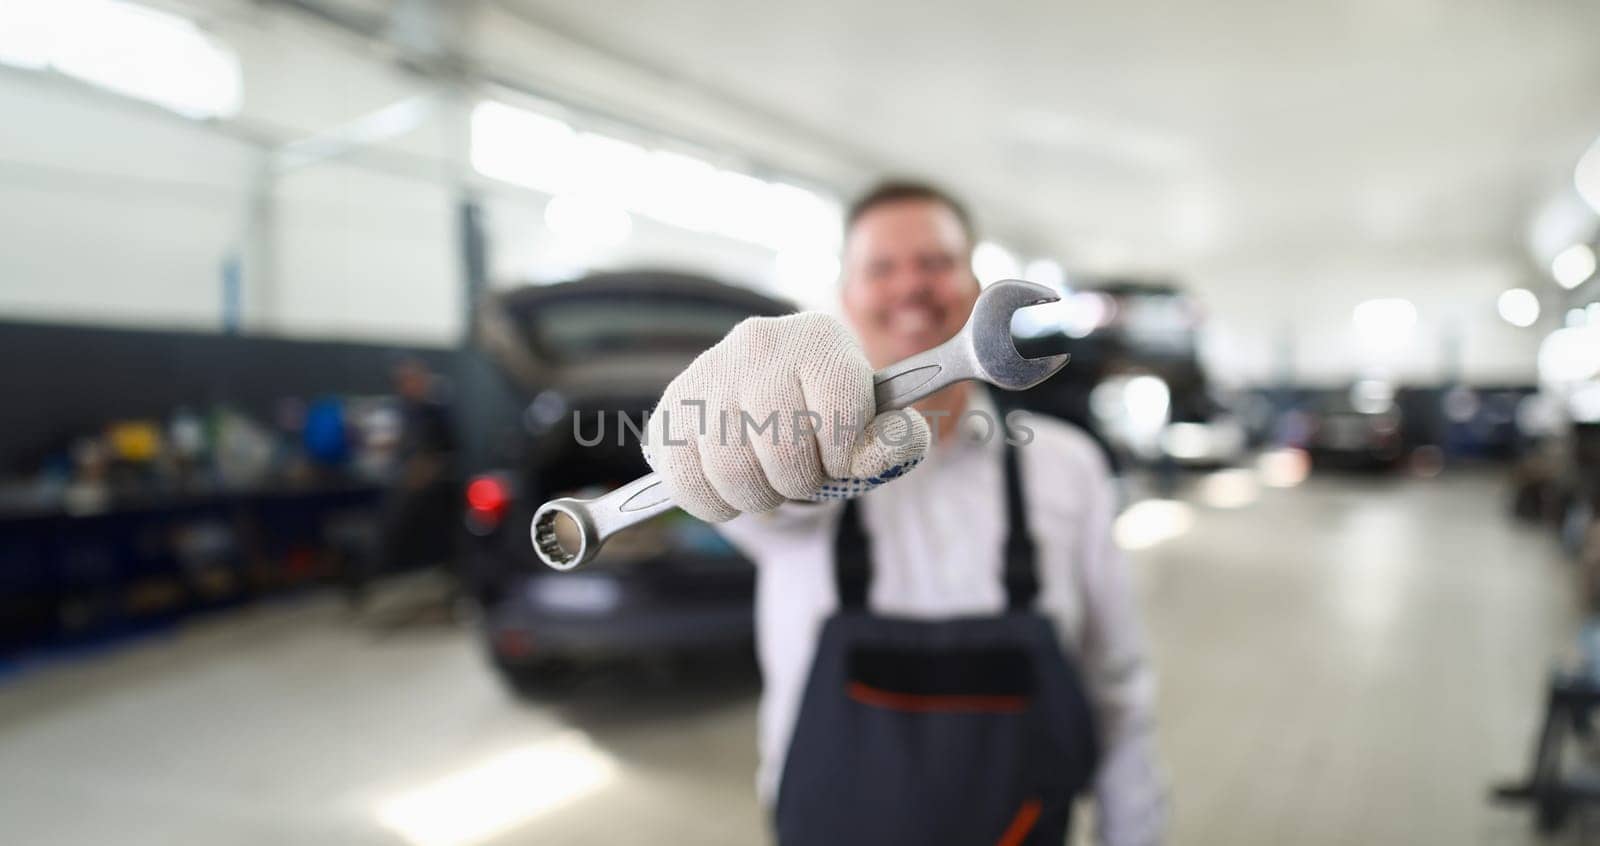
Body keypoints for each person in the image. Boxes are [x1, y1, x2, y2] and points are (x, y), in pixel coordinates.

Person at [643, 181, 1166, 845]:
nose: (910, 287)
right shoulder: (804, 466)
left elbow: (1115, 685)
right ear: (845, 299)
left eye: (936, 262)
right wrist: (711, 427)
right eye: (881, 268)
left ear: (976, 284)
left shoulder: (1067, 467)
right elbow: (757, 501)